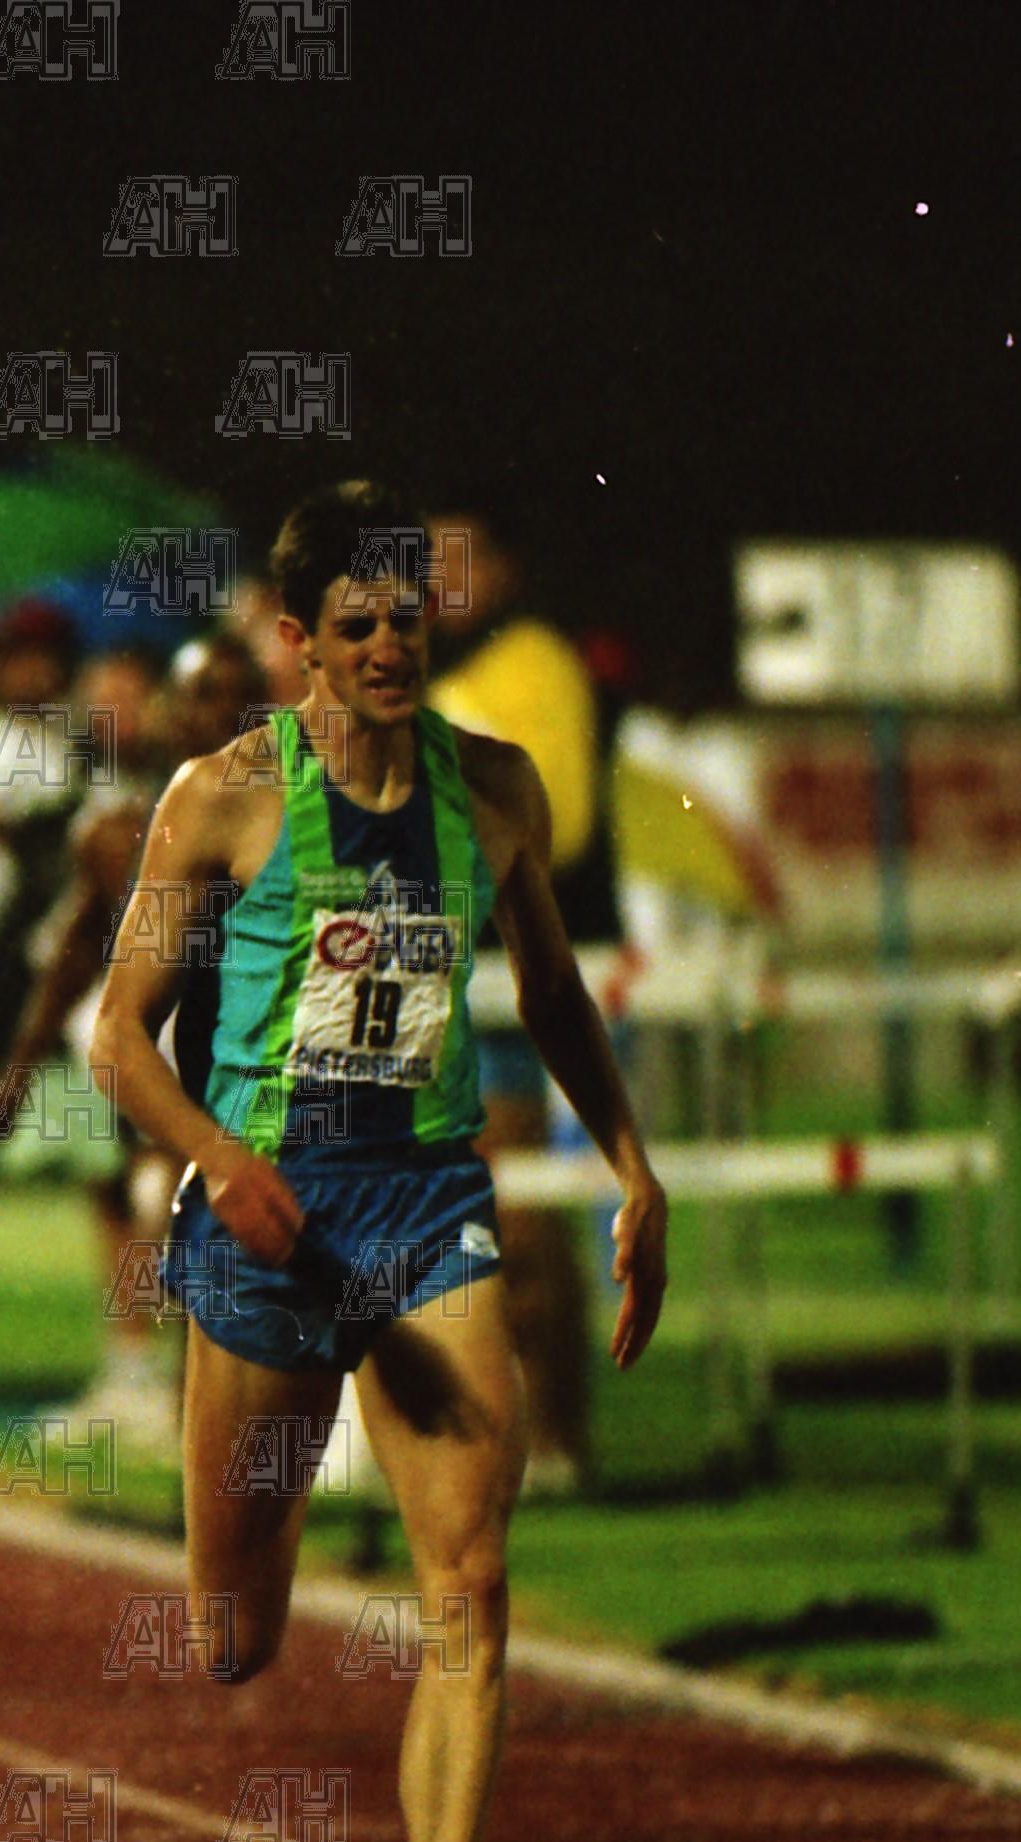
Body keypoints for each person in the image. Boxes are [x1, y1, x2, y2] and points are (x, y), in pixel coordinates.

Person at [85, 484, 666, 1842]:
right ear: (300, 641)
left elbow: (553, 991)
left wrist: (634, 1168)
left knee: (470, 1582)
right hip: (270, 1232)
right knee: (232, 1634)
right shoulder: (222, 798)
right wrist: (222, 1162)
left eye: (410, 617)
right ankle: (271, 1621)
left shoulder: (498, 791)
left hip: (424, 1209)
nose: (391, 645)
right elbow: (117, 1039)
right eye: (358, 625)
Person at [0, 632, 265, 1442]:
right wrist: (16, 1073)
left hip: (268, 1071)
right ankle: (148, 1383)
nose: (216, 716)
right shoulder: (122, 828)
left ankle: (265, 1407)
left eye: (235, 698)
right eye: (198, 696)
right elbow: (73, 951)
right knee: (148, 1209)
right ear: (169, 710)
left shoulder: (303, 819)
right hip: (160, 1063)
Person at [425, 503, 616, 1493]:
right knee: (456, 1219)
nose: (438, 578)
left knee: (522, 1219)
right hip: (441, 983)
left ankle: (557, 1439)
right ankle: (491, 1436)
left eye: (458, 558)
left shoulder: (534, 662)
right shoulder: (422, 674)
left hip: (523, 984)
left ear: (503, 567)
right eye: (423, 560)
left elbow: (560, 824)